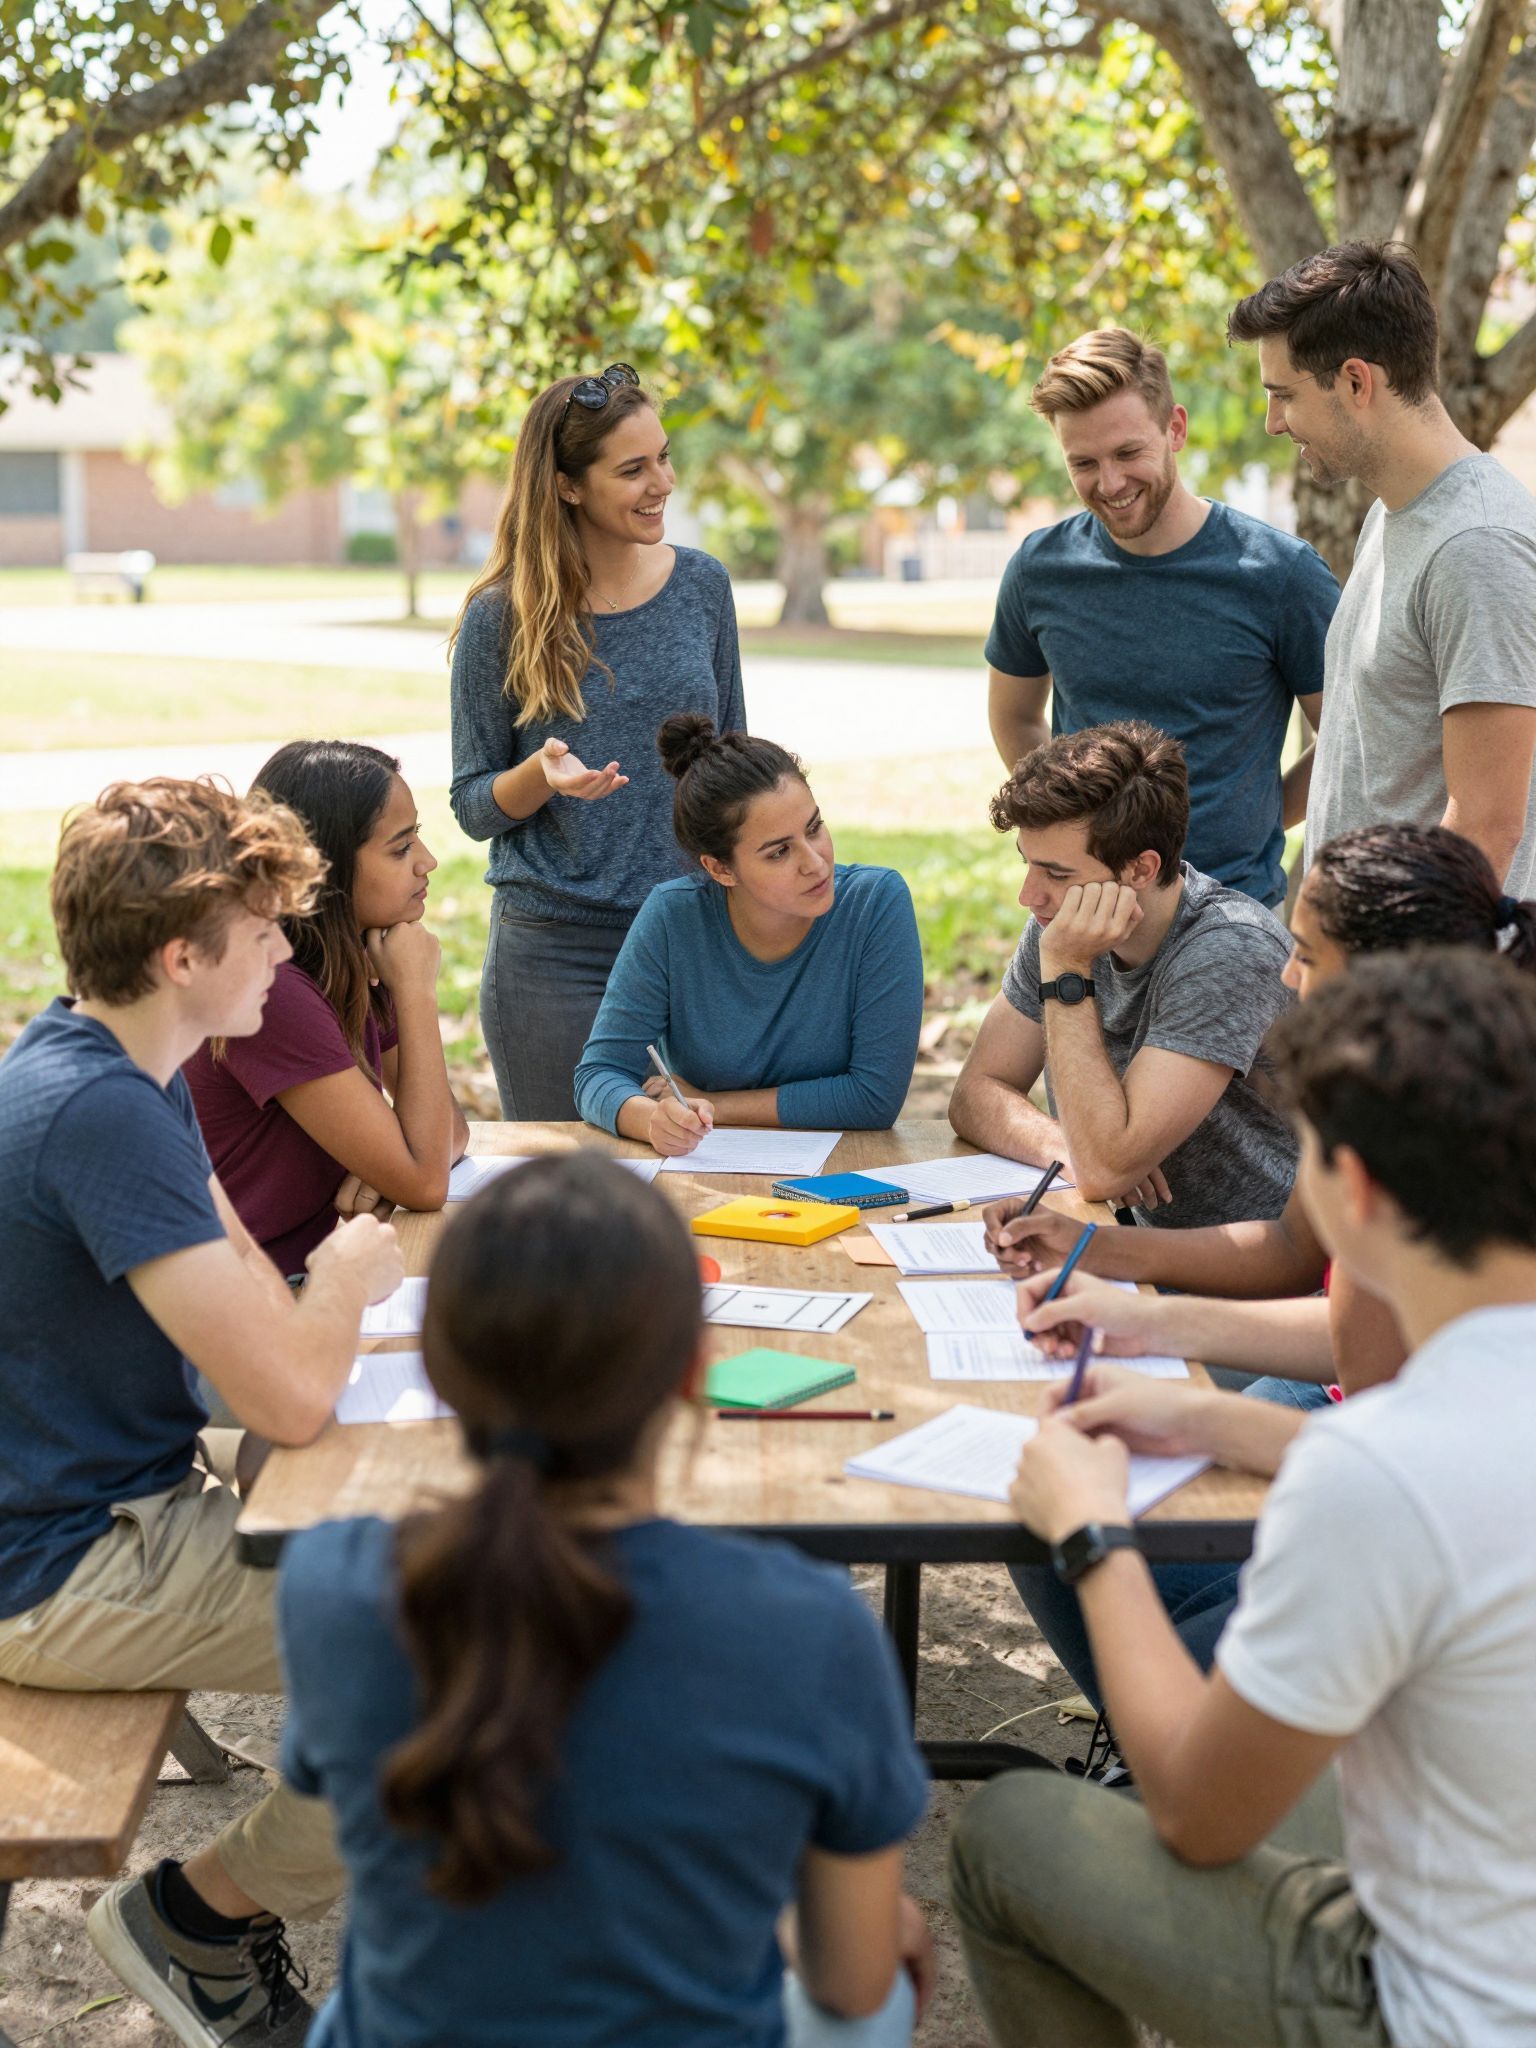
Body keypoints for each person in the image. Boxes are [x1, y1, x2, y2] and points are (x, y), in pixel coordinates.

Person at [949, 948, 1536, 2048]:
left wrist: (1092, 1535)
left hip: (1433, 2005)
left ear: (1352, 1191)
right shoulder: (1422, 1429)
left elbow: (1199, 1815)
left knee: (1015, 1832)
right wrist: (1213, 1418)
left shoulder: (1378, 1471)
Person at [277, 1152, 933, 2047]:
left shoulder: (332, 1584)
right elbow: (852, 1988)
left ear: (438, 1363)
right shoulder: (810, 1624)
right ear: (694, 1371)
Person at [0, 778, 404, 2043]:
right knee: (474, 1665)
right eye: (268, 931)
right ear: (182, 954)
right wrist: (341, 1278)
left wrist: (308, 1313)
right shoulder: (104, 1109)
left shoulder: (130, 1059)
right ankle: (197, 1917)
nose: (288, 952)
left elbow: (246, 1320)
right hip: (60, 1564)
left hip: (109, 1497)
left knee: (444, 1541)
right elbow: (282, 1388)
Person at [991, 823, 1536, 1710]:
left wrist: (1184, 1429)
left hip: (1393, 1511)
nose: (1286, 973)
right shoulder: (1396, 1101)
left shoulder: (1429, 1146)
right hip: (1359, 1442)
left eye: (1308, 953)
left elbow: (1403, 1438)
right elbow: (1312, 1286)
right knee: (1076, 1532)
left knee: (1113, 1571)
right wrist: (1130, 1297)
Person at [450, 364, 746, 1121]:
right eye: (633, 469)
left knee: (705, 1182)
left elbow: (735, 763)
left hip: (690, 938)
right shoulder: (500, 617)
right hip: (552, 956)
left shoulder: (702, 587)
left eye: (664, 458)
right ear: (569, 485)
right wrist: (541, 777)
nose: (663, 483)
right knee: (568, 1199)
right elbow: (474, 804)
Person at [986, 327, 1336, 909]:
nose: (1111, 483)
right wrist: (1072, 827)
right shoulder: (1039, 569)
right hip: (1084, 907)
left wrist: (1261, 812)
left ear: (1175, 428)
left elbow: (1347, 735)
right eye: (1084, 463)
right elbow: (1015, 716)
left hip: (1233, 909)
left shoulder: (1280, 573)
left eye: (1128, 453)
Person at [1229, 238, 1536, 893]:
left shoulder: (1476, 545)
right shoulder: (1394, 512)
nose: (1273, 423)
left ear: (1355, 381)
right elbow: (1366, 749)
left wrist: (1372, 979)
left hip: (1424, 981)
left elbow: (1487, 826)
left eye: (1283, 395)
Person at [948, 720, 1297, 1228]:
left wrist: (1068, 970)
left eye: (1057, 874)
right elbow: (975, 1093)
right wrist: (1064, 1145)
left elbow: (1107, 1168)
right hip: (1143, 1247)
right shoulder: (1061, 923)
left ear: (1140, 869)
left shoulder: (1230, 949)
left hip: (1264, 1271)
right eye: (1028, 864)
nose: (1029, 895)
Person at [573, 718, 923, 1154]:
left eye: (814, 828)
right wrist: (650, 1120)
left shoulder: (876, 903)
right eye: (779, 851)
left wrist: (717, 1106)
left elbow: (873, 1098)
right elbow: (598, 1074)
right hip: (704, 1166)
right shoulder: (672, 916)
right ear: (720, 869)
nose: (815, 863)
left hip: (846, 1165)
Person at [185, 741, 468, 1274]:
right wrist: (416, 993)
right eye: (401, 848)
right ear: (329, 866)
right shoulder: (273, 991)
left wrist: (389, 1166)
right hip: (242, 1295)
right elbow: (429, 1181)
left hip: (293, 1276)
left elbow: (448, 1135)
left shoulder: (349, 960)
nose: (427, 863)